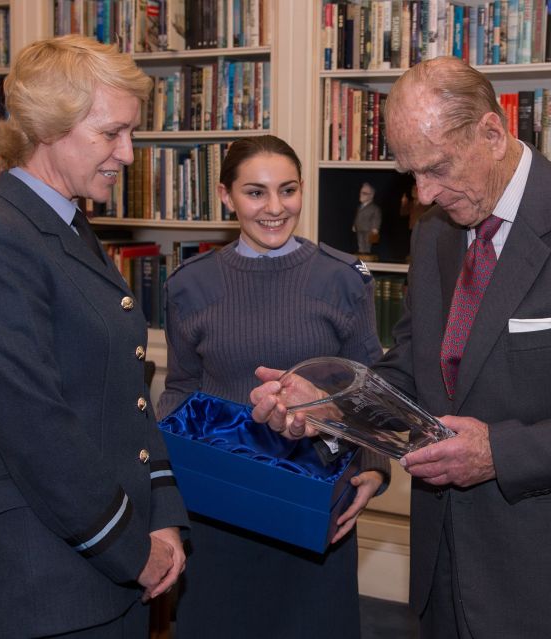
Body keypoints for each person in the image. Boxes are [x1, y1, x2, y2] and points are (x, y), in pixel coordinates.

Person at [252, 57, 551, 639]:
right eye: (410, 174)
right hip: (444, 570)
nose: (424, 193)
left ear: (491, 132)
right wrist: (326, 405)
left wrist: (497, 452)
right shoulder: (437, 232)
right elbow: (410, 369)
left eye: (436, 168)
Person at [0, 35, 188, 638]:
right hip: (39, 589)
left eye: (131, 132)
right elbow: (35, 428)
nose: (128, 151)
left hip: (103, 573)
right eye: (110, 133)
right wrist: (131, 546)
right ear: (49, 127)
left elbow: (129, 394)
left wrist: (164, 516)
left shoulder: (65, 226)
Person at [157, 134, 389, 639]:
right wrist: (163, 491)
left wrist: (373, 469)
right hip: (218, 505)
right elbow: (179, 388)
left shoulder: (344, 278)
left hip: (315, 501)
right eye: (255, 192)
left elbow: (371, 389)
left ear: (303, 190)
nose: (275, 208)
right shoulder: (188, 285)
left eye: (288, 190)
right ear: (225, 196)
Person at [352, 181, 382, 254]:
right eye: (361, 192)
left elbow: (376, 218)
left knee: (367, 241)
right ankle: (361, 251)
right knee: (360, 240)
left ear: (371, 195)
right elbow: (357, 216)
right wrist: (354, 225)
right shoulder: (360, 207)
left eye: (364, 193)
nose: (361, 195)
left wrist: (375, 228)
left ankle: (367, 252)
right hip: (359, 227)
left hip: (368, 228)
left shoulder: (374, 208)